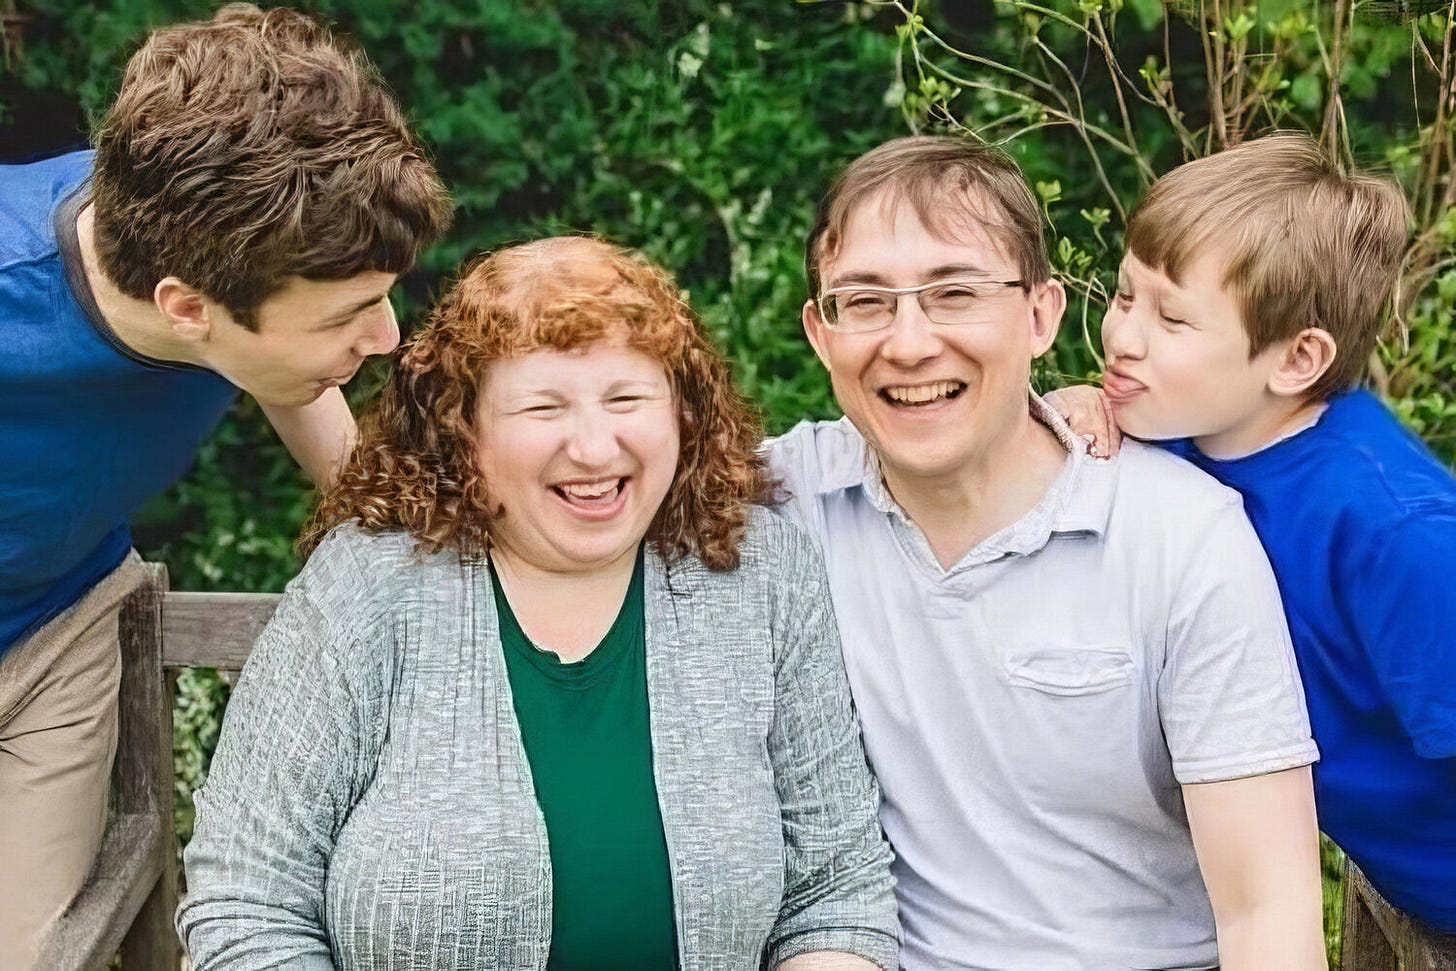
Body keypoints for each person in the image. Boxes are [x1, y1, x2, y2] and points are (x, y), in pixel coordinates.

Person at [177, 236, 899, 970]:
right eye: (542, 406)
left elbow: (836, 889)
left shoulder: (761, 573)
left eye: (626, 398)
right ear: (464, 434)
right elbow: (247, 896)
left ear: (682, 415)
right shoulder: (369, 581)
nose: (592, 447)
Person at [768, 135, 1328, 970]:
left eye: (954, 292)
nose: (910, 342)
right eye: (866, 301)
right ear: (822, 332)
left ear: (1040, 315)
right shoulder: (780, 502)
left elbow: (1267, 912)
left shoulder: (1182, 536)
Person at [0, 6, 451, 964]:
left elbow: (301, 396)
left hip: (55, 628)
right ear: (189, 310)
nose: (388, 339)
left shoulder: (215, 236)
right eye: (352, 313)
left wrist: (413, 542)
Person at [1052, 133, 1456, 952]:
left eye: (1171, 317)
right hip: (1407, 879)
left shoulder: (1394, 529)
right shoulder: (1191, 430)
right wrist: (1075, 400)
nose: (1123, 337)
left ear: (1296, 357)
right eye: (1126, 296)